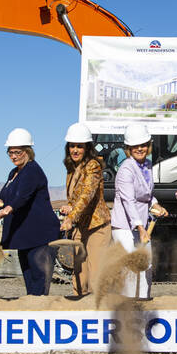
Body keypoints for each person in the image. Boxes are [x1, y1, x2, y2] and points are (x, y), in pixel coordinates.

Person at [0, 128, 58, 296]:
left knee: (38, 279)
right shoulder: (14, 173)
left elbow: (21, 199)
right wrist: (0, 203)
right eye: (10, 152)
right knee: (28, 278)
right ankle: (32, 311)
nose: (13, 156)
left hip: (39, 235)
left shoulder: (32, 170)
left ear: (28, 151)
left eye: (17, 152)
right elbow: (12, 198)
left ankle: (39, 313)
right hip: (24, 235)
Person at [110, 123, 167, 298]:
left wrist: (156, 205)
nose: (140, 149)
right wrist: (140, 228)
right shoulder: (126, 169)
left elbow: (147, 195)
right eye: (135, 146)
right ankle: (127, 305)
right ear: (128, 148)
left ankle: (143, 300)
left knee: (146, 264)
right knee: (131, 266)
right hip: (125, 226)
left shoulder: (148, 165)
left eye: (143, 145)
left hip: (142, 224)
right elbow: (129, 201)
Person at [59, 122, 112, 297]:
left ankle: (99, 312)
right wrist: (70, 207)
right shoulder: (71, 168)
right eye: (72, 146)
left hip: (97, 226)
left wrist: (71, 217)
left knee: (96, 274)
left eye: (79, 146)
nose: (75, 150)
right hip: (80, 226)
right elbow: (77, 197)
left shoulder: (93, 166)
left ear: (87, 147)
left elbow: (87, 194)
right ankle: (78, 307)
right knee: (79, 272)